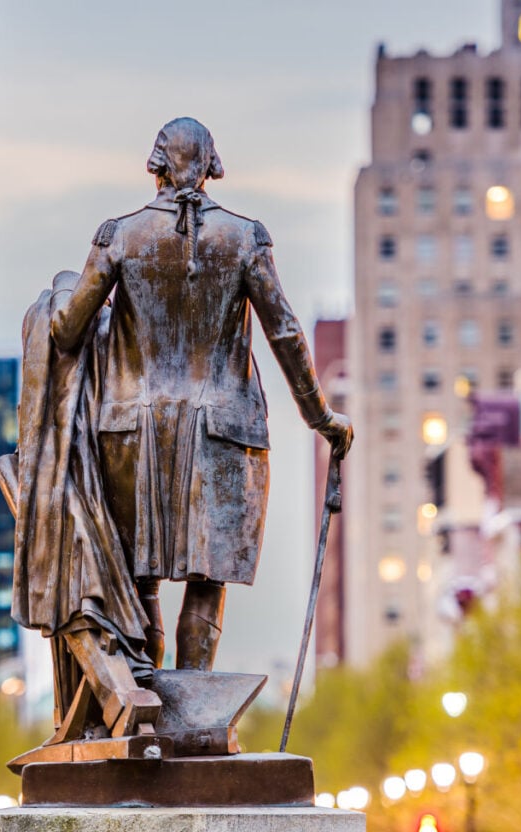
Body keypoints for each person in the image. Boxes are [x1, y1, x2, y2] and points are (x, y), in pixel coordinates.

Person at [49, 116, 353, 674]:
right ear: (212, 164)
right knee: (206, 582)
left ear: (156, 164)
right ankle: (194, 715)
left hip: (130, 431)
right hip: (223, 431)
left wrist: (68, 296)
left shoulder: (118, 235)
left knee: (136, 580)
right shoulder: (245, 237)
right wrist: (321, 417)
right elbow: (284, 332)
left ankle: (147, 706)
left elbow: (67, 331)